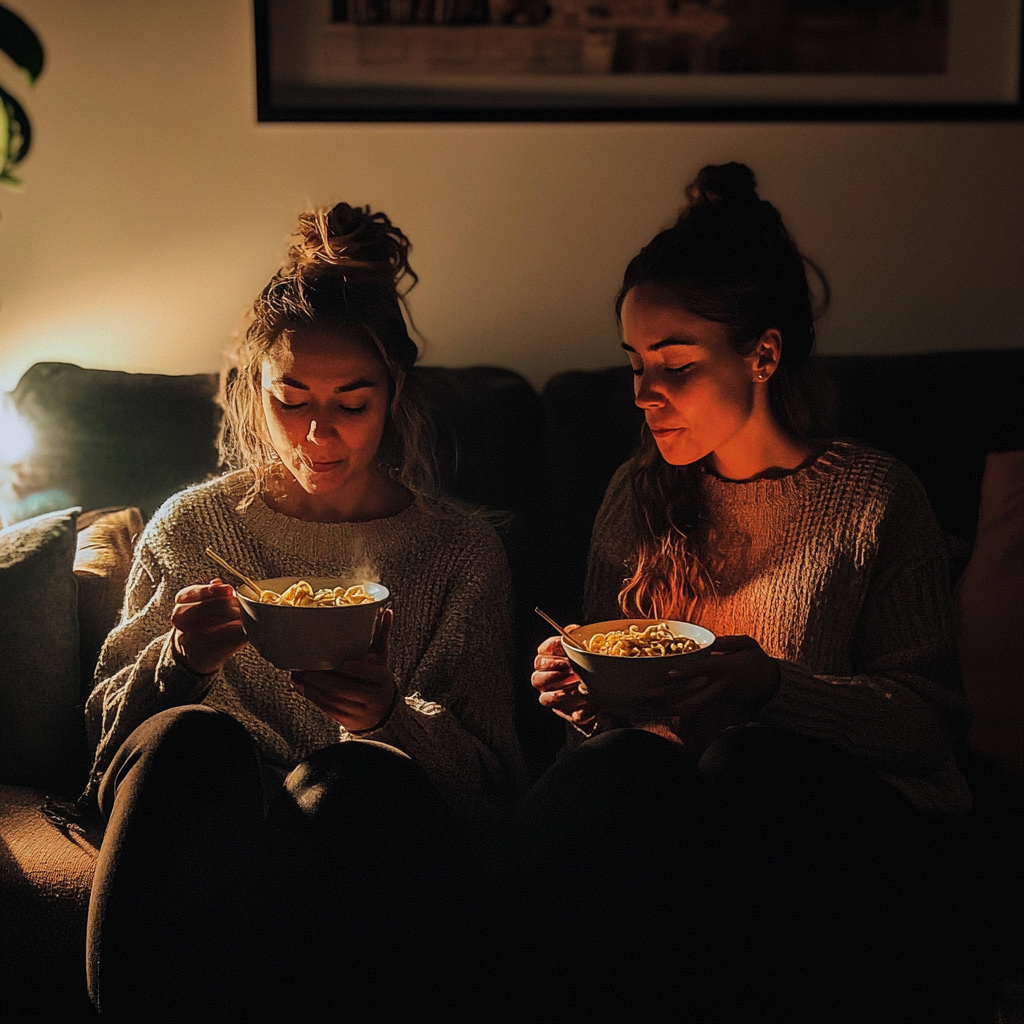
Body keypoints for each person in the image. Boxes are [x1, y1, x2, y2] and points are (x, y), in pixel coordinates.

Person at [516, 163, 972, 1023]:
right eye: (636, 364)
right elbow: (621, 718)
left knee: (744, 762)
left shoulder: (874, 498)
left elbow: (927, 723)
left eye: (676, 364)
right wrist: (582, 698)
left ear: (762, 354)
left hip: (844, 819)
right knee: (618, 770)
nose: (645, 394)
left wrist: (771, 688)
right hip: (674, 818)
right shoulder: (638, 492)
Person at [81, 202, 527, 1022]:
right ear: (253, 391)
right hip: (207, 812)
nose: (318, 434)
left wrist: (391, 716)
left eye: (351, 404)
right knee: (190, 735)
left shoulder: (459, 553)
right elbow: (108, 743)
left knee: (351, 782)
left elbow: (492, 787)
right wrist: (180, 664)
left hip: (367, 826)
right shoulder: (195, 527)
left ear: (394, 397)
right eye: (291, 399)